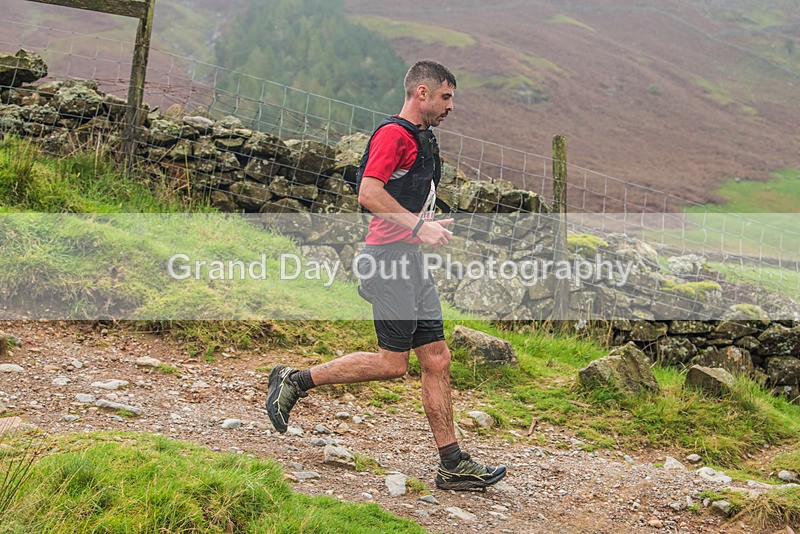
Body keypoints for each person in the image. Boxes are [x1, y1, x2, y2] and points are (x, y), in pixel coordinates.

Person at [266, 60, 507, 491]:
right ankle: (295, 380)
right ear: (421, 93)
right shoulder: (393, 135)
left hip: (410, 261)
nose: (451, 106)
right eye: (446, 97)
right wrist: (419, 227)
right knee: (392, 364)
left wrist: (424, 226)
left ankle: (452, 464)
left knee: (437, 359)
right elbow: (368, 192)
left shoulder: (421, 137)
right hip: (387, 260)